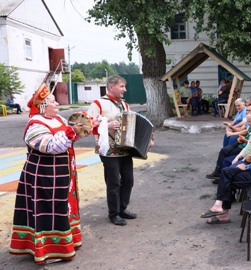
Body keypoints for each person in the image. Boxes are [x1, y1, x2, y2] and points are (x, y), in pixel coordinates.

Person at [10, 84, 92, 264]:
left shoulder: (59, 120)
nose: (56, 104)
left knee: (62, 209)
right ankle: (48, 250)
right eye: (52, 101)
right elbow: (50, 147)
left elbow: (70, 138)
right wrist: (72, 132)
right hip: (43, 176)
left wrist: (81, 129)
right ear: (42, 106)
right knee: (46, 210)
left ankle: (64, 243)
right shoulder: (35, 125)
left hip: (61, 173)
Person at [87, 75, 152, 226]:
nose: (125, 90)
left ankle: (122, 208)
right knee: (114, 181)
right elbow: (85, 125)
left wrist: (147, 140)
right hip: (108, 149)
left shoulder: (125, 105)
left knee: (128, 180)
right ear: (111, 87)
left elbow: (132, 125)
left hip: (125, 148)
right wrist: (106, 126)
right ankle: (114, 213)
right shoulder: (98, 104)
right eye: (122, 86)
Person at [206, 106, 251, 183]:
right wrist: (232, 129)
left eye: (249, 110)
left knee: (227, 154)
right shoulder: (249, 120)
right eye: (247, 110)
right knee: (224, 150)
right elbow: (245, 131)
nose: (247, 111)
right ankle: (218, 172)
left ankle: (223, 176)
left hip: (245, 146)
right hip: (241, 143)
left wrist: (242, 138)